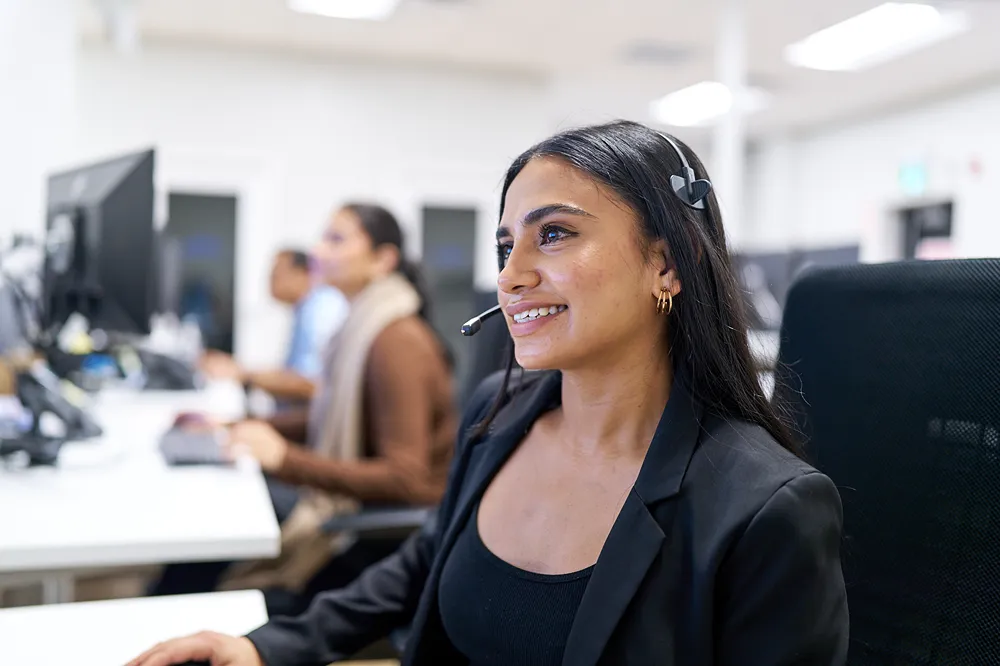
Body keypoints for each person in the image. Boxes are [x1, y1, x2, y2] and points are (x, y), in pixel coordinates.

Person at [128, 121, 848, 666]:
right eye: (507, 247)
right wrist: (269, 647)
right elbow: (425, 561)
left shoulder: (764, 510)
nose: (510, 275)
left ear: (669, 262)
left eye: (555, 234)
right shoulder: (500, 416)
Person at [149, 204, 456, 614]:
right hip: (357, 509)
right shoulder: (361, 325)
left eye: (337, 239)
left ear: (383, 259)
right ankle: (163, 617)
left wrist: (284, 459)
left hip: (379, 539)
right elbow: (324, 416)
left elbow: (408, 478)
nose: (318, 249)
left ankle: (168, 620)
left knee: (219, 558)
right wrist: (239, 424)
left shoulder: (397, 340)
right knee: (205, 538)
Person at [201, 248, 347, 403]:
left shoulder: (319, 312)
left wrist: (243, 374)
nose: (269, 282)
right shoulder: (305, 309)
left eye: (276, 275)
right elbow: (294, 372)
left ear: (302, 274)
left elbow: (309, 384)